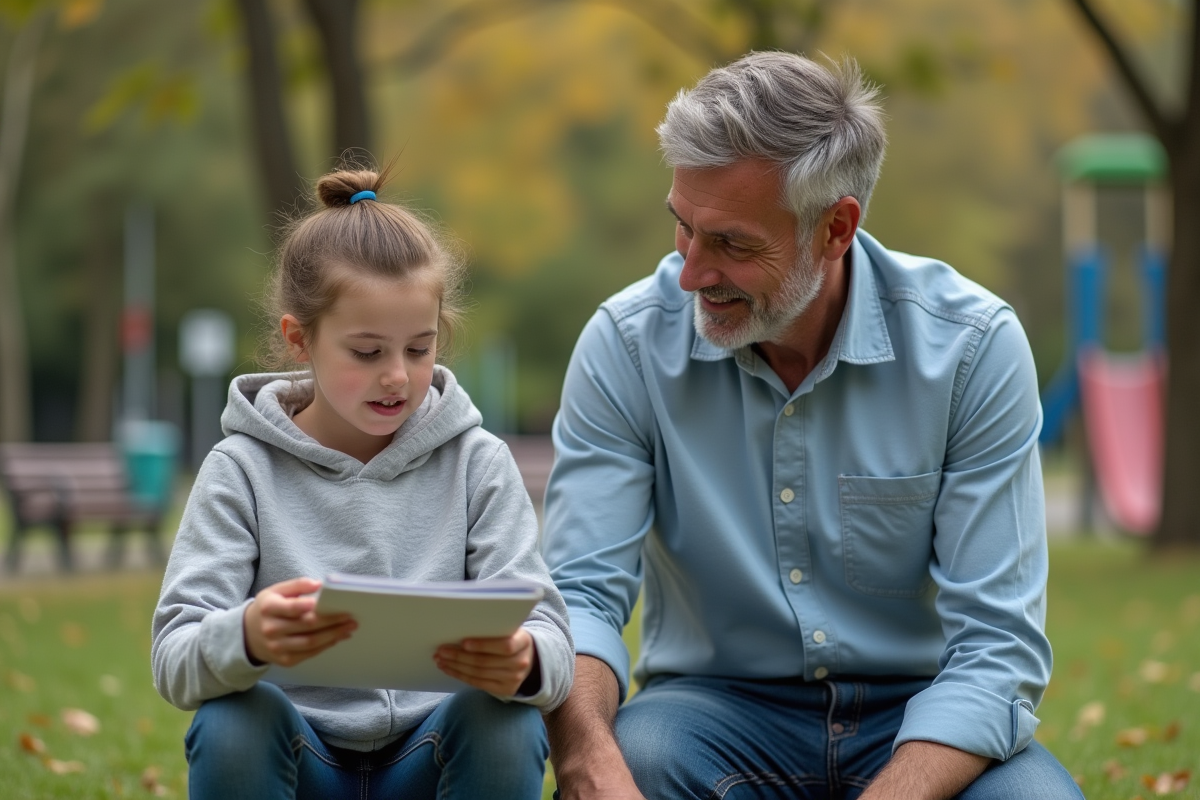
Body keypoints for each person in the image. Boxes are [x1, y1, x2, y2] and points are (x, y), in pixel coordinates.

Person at [541, 52, 1082, 799]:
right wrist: (587, 760)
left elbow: (997, 648)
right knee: (641, 759)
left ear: (836, 227)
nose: (692, 271)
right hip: (711, 711)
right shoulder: (626, 344)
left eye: (731, 243)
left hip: (922, 714)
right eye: (683, 228)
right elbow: (582, 597)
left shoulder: (972, 347)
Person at [151, 166, 573, 800]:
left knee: (504, 718)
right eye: (368, 352)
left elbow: (550, 636)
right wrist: (246, 636)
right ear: (301, 339)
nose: (398, 377)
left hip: (429, 761)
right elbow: (174, 658)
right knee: (233, 717)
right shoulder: (239, 469)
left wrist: (526, 660)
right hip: (301, 762)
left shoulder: (477, 462)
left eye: (420, 348)